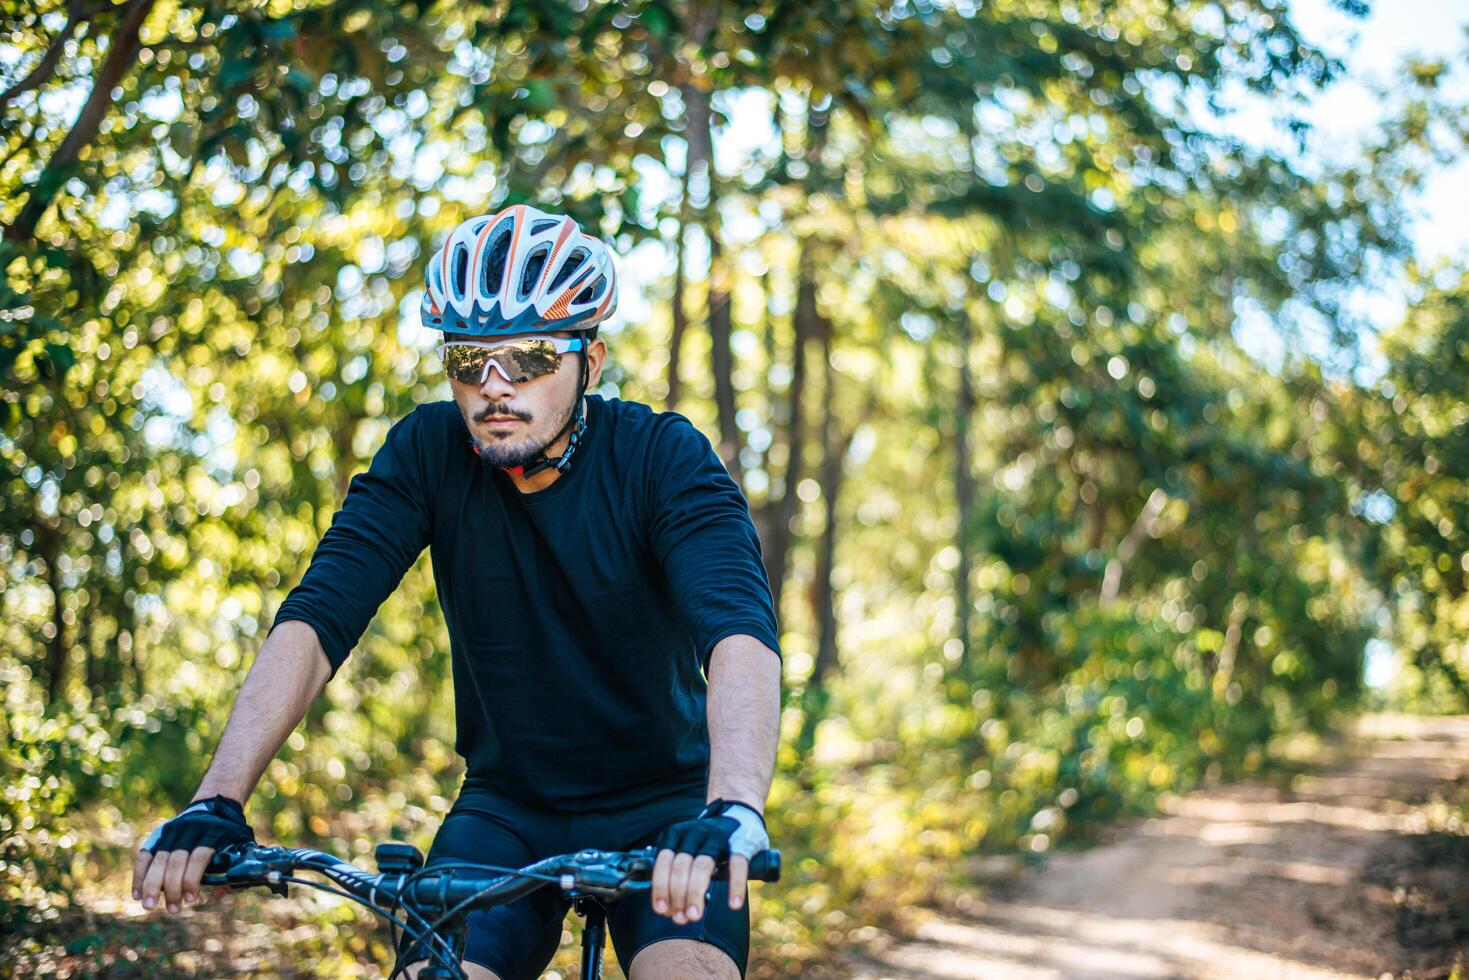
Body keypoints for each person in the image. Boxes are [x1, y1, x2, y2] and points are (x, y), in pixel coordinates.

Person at [131, 204, 783, 980]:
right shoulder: (427, 452)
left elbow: (737, 630)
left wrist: (733, 807)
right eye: (468, 362)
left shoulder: (661, 457)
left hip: (670, 810)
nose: (494, 386)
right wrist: (217, 801)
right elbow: (318, 618)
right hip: (507, 811)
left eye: (530, 357)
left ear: (591, 362)